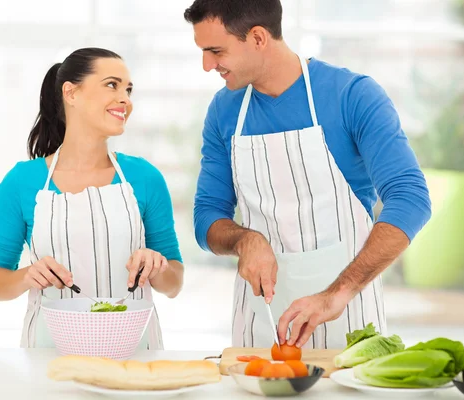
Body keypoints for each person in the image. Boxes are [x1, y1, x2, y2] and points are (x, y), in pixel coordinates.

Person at [183, 0, 431, 349]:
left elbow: (410, 200)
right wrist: (244, 239)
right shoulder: (225, 110)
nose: (207, 65)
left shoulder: (352, 96)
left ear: (257, 38)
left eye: (215, 51)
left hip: (348, 321)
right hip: (260, 326)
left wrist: (336, 294)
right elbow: (207, 215)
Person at [0, 47, 184, 350]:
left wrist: (159, 267)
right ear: (71, 93)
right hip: (50, 355)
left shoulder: (145, 178)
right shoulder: (22, 182)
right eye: (112, 85)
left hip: (135, 353)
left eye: (128, 89)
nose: (125, 99)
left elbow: (174, 284)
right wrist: (27, 276)